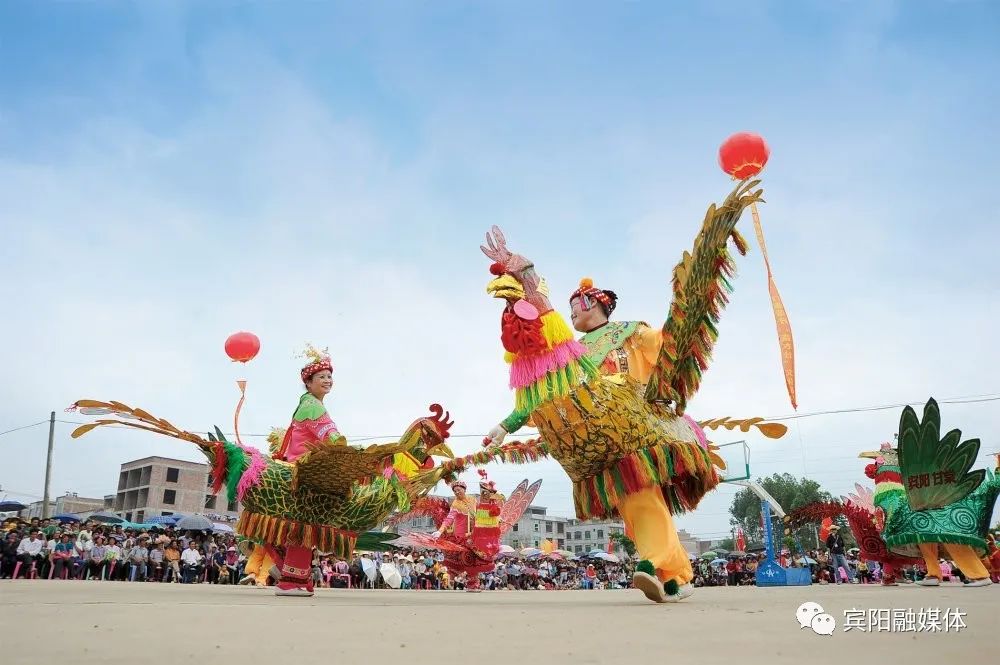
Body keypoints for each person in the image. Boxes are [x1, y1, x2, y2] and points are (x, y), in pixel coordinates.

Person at [269, 344, 342, 597]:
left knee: (306, 524)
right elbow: (333, 439)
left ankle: (296, 574)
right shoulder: (312, 405)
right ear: (308, 383)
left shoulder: (311, 403)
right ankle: (291, 580)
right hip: (306, 471)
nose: (328, 380)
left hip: (305, 469)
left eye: (330, 376)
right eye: (321, 377)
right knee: (305, 523)